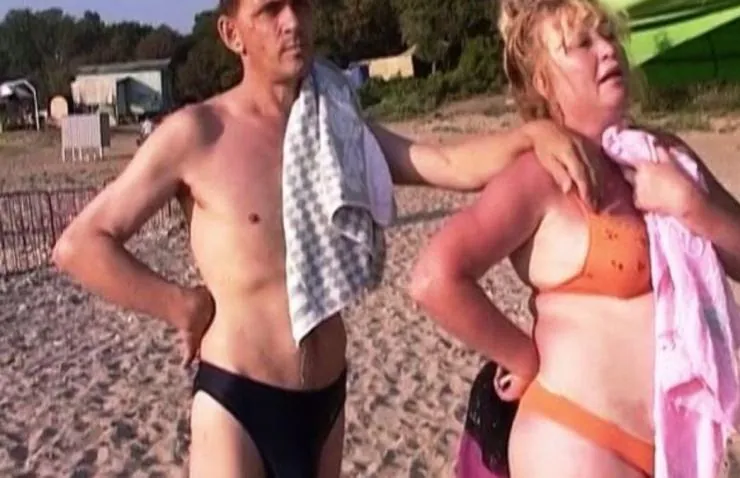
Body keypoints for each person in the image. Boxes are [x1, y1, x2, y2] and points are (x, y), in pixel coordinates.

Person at [51, 0, 597, 477]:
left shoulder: (334, 125)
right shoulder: (198, 134)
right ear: (232, 33)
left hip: (326, 398)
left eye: (302, 4)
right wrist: (179, 304)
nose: (292, 21)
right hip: (237, 402)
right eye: (270, 9)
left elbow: (446, 163)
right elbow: (82, 244)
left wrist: (532, 134)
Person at [408, 0, 740, 477]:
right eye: (582, 43)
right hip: (575, 438)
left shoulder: (667, 155)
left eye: (607, 35)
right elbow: (434, 278)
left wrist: (693, 207)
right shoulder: (539, 175)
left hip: (671, 445)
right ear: (543, 82)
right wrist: (522, 359)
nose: (606, 49)